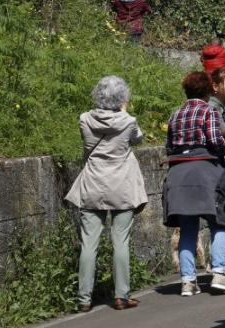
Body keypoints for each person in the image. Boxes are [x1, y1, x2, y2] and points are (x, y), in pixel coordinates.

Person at [66, 76, 148, 313]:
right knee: (120, 240)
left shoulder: (84, 119)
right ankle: (121, 296)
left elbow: (86, 147)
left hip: (93, 184)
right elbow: (138, 139)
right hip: (122, 186)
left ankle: (84, 299)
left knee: (88, 243)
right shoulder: (129, 121)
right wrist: (124, 112)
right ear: (122, 97)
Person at [163, 71, 225, 296]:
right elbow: (215, 140)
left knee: (187, 228)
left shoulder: (175, 115)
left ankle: (187, 280)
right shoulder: (208, 111)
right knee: (219, 222)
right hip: (205, 171)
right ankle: (219, 272)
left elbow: (168, 147)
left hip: (178, 174)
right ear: (207, 90)